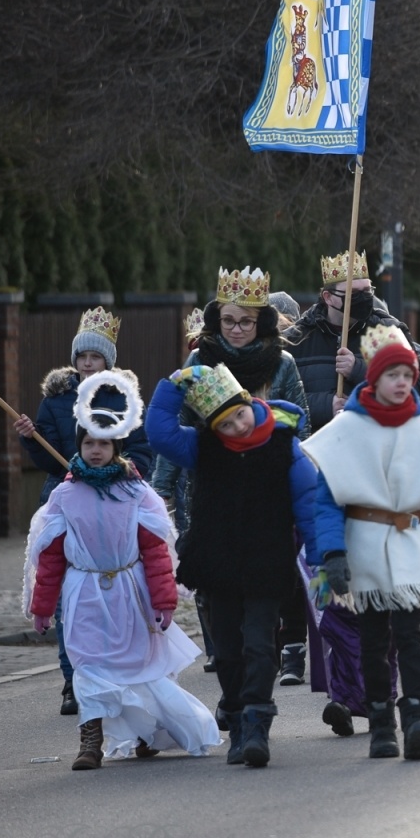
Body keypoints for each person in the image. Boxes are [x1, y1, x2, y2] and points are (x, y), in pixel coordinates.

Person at [25, 372, 219, 770]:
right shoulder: (64, 495)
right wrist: (43, 606)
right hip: (83, 592)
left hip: (129, 591)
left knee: (138, 666)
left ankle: (150, 731)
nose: (95, 450)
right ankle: (91, 739)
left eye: (104, 443)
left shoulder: (136, 493)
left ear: (117, 446)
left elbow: (154, 551)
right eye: (89, 443)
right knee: (88, 665)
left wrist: (164, 600)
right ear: (80, 444)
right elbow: (51, 558)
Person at [303, 325, 420, 760]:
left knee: (411, 638)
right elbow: (327, 500)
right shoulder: (347, 428)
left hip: (412, 546)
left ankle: (416, 716)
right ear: (373, 378)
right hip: (364, 547)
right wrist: (332, 554)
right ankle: (380, 724)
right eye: (393, 374)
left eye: (407, 375)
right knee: (373, 642)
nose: (401, 383)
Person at [146, 362, 321, 768]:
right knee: (226, 651)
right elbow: (160, 434)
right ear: (213, 429)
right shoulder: (202, 447)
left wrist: (322, 558)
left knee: (260, 645)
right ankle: (238, 722)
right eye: (225, 425)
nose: (238, 428)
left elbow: (309, 504)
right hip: (217, 563)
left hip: (266, 561)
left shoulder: (284, 444)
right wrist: (171, 387)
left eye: (240, 415)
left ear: (250, 403)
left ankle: (258, 720)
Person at [150, 268, 313, 692]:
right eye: (229, 321)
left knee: (265, 585)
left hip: (267, 484)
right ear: (215, 321)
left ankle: (267, 664)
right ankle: (230, 675)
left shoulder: (282, 363)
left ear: (261, 322)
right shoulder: (198, 361)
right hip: (211, 486)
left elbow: (301, 425)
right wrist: (161, 489)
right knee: (215, 581)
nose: (237, 329)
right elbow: (179, 428)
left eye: (246, 321)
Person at [12, 306, 154, 718]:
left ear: (108, 359)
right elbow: (49, 458)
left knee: (119, 597)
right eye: (82, 357)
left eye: (95, 357)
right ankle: (73, 682)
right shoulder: (56, 399)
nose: (88, 364)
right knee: (67, 603)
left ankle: (118, 674)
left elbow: (143, 451)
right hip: (68, 503)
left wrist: (121, 476)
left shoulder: (124, 399)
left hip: (114, 510)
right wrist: (32, 440)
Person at [283, 251, 420, 433]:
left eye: (367, 291)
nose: (364, 298)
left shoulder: (390, 331)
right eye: (354, 292)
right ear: (328, 297)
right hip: (316, 447)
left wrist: (359, 370)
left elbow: (416, 386)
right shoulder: (296, 339)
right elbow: (277, 398)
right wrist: (326, 405)